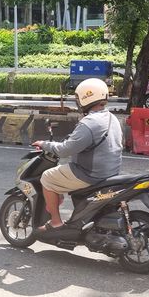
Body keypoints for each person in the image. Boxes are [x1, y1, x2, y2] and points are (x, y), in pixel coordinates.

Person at [31, 78, 123, 233]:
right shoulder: (112, 118)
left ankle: (55, 223)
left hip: (89, 174)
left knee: (47, 177)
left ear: (85, 98)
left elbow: (65, 150)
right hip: (111, 173)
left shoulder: (89, 122)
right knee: (59, 174)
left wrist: (44, 144)